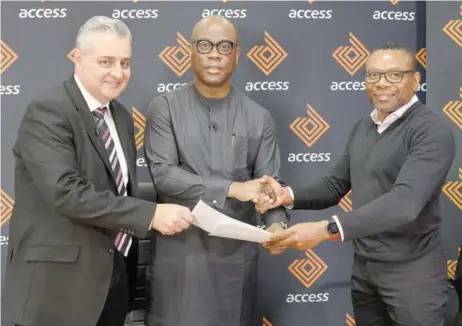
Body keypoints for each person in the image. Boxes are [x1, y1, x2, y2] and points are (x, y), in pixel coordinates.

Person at [1, 16, 194, 326]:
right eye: (106, 61)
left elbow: (116, 190)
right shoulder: (49, 111)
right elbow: (66, 193)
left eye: (125, 63)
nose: (117, 73)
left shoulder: (120, 116)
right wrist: (151, 214)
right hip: (56, 291)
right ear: (77, 58)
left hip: (111, 285)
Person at [258, 41, 456, 326]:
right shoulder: (363, 127)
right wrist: (286, 196)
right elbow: (335, 185)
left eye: (394, 75)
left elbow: (405, 203)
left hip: (413, 273)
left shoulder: (431, 130)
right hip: (365, 269)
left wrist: (328, 230)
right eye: (372, 75)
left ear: (415, 79)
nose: (381, 83)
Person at [143, 16, 288, 326]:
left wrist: (276, 224)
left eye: (225, 46)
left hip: (236, 262)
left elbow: (269, 185)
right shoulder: (164, 107)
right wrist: (235, 188)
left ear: (237, 55)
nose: (214, 54)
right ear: (191, 51)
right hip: (181, 258)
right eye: (205, 45)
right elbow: (165, 177)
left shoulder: (258, 117)